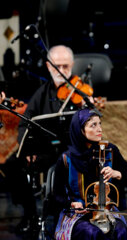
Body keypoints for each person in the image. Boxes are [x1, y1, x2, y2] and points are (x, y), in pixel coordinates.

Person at [3, 45, 91, 234]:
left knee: (64, 166)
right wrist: (27, 148)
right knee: (12, 164)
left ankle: (65, 216)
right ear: (48, 67)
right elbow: (24, 124)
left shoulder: (79, 93)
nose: (62, 71)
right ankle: (31, 215)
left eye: (66, 66)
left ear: (72, 65)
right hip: (43, 150)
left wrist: (86, 110)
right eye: (57, 66)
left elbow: (90, 127)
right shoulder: (41, 93)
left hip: (69, 149)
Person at [53, 108, 127, 240]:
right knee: (91, 233)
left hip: (106, 211)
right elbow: (56, 196)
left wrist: (117, 174)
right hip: (76, 214)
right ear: (80, 130)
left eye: (100, 124)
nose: (100, 129)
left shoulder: (110, 150)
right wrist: (72, 204)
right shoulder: (66, 159)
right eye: (93, 125)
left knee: (120, 232)